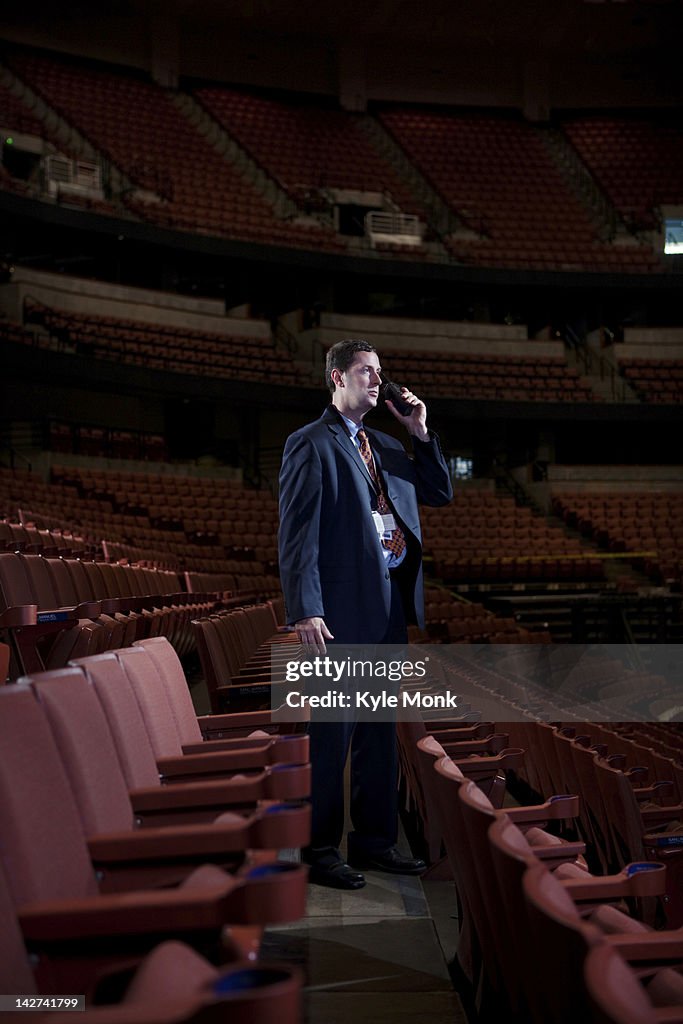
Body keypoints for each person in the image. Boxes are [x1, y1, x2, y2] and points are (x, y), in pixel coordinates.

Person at [278, 339, 453, 890]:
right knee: (331, 736)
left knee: (377, 735)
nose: (377, 381)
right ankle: (318, 848)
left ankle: (375, 842)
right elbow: (297, 533)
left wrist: (420, 432)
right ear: (337, 377)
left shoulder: (387, 443)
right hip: (339, 615)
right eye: (365, 372)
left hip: (387, 612)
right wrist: (305, 609)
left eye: (380, 373)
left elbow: (439, 491)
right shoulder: (310, 443)